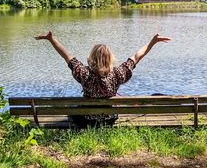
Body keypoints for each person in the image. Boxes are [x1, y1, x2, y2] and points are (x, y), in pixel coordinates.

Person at [34, 31, 171, 127]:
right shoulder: (119, 74)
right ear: (110, 58)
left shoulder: (83, 73)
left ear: (91, 57)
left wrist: (51, 39)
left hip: (86, 120)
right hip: (108, 120)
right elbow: (136, 57)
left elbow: (67, 55)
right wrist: (153, 42)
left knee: (72, 108)